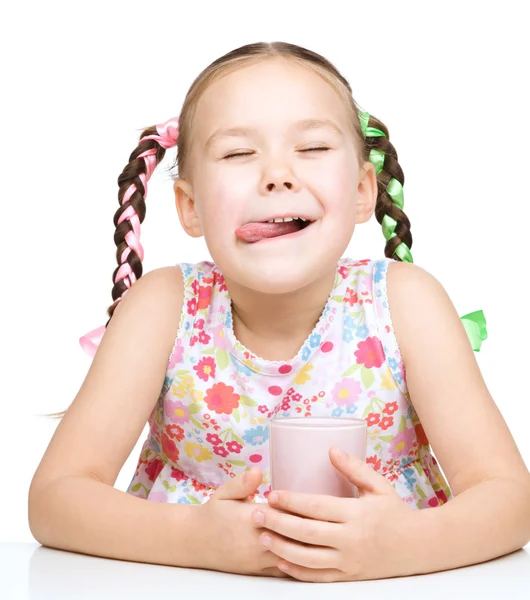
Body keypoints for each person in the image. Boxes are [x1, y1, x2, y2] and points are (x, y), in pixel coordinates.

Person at [28, 41, 530, 583]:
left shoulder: (407, 304)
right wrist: (195, 538)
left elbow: (508, 500)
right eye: (239, 154)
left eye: (312, 147)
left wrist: (405, 544)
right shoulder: (161, 309)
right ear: (190, 208)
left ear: (363, 190)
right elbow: (55, 499)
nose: (277, 175)